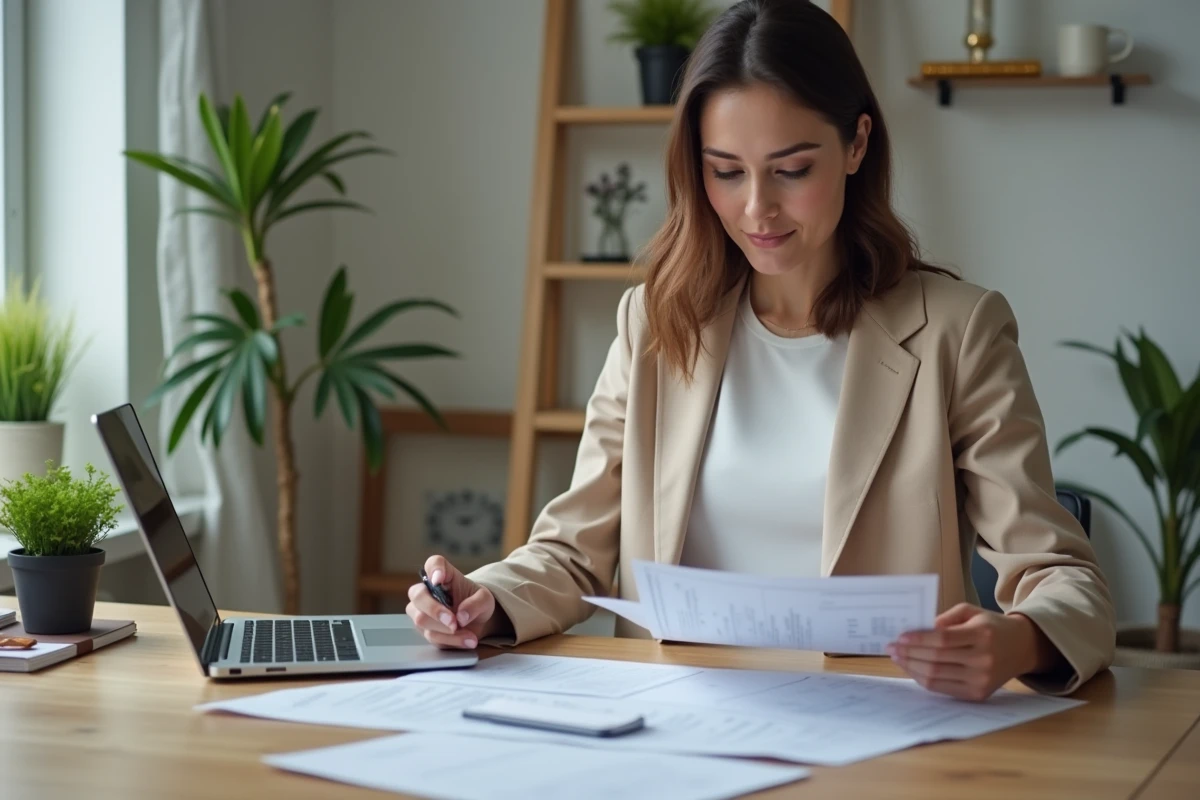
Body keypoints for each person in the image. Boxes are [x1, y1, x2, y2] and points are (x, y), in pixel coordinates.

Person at [406, 0, 1115, 700]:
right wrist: (483, 601)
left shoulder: (957, 331)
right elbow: (571, 551)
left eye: (792, 170)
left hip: (885, 727)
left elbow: (1064, 578)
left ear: (857, 145)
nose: (757, 209)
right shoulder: (655, 323)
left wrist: (1016, 640)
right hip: (674, 724)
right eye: (726, 171)